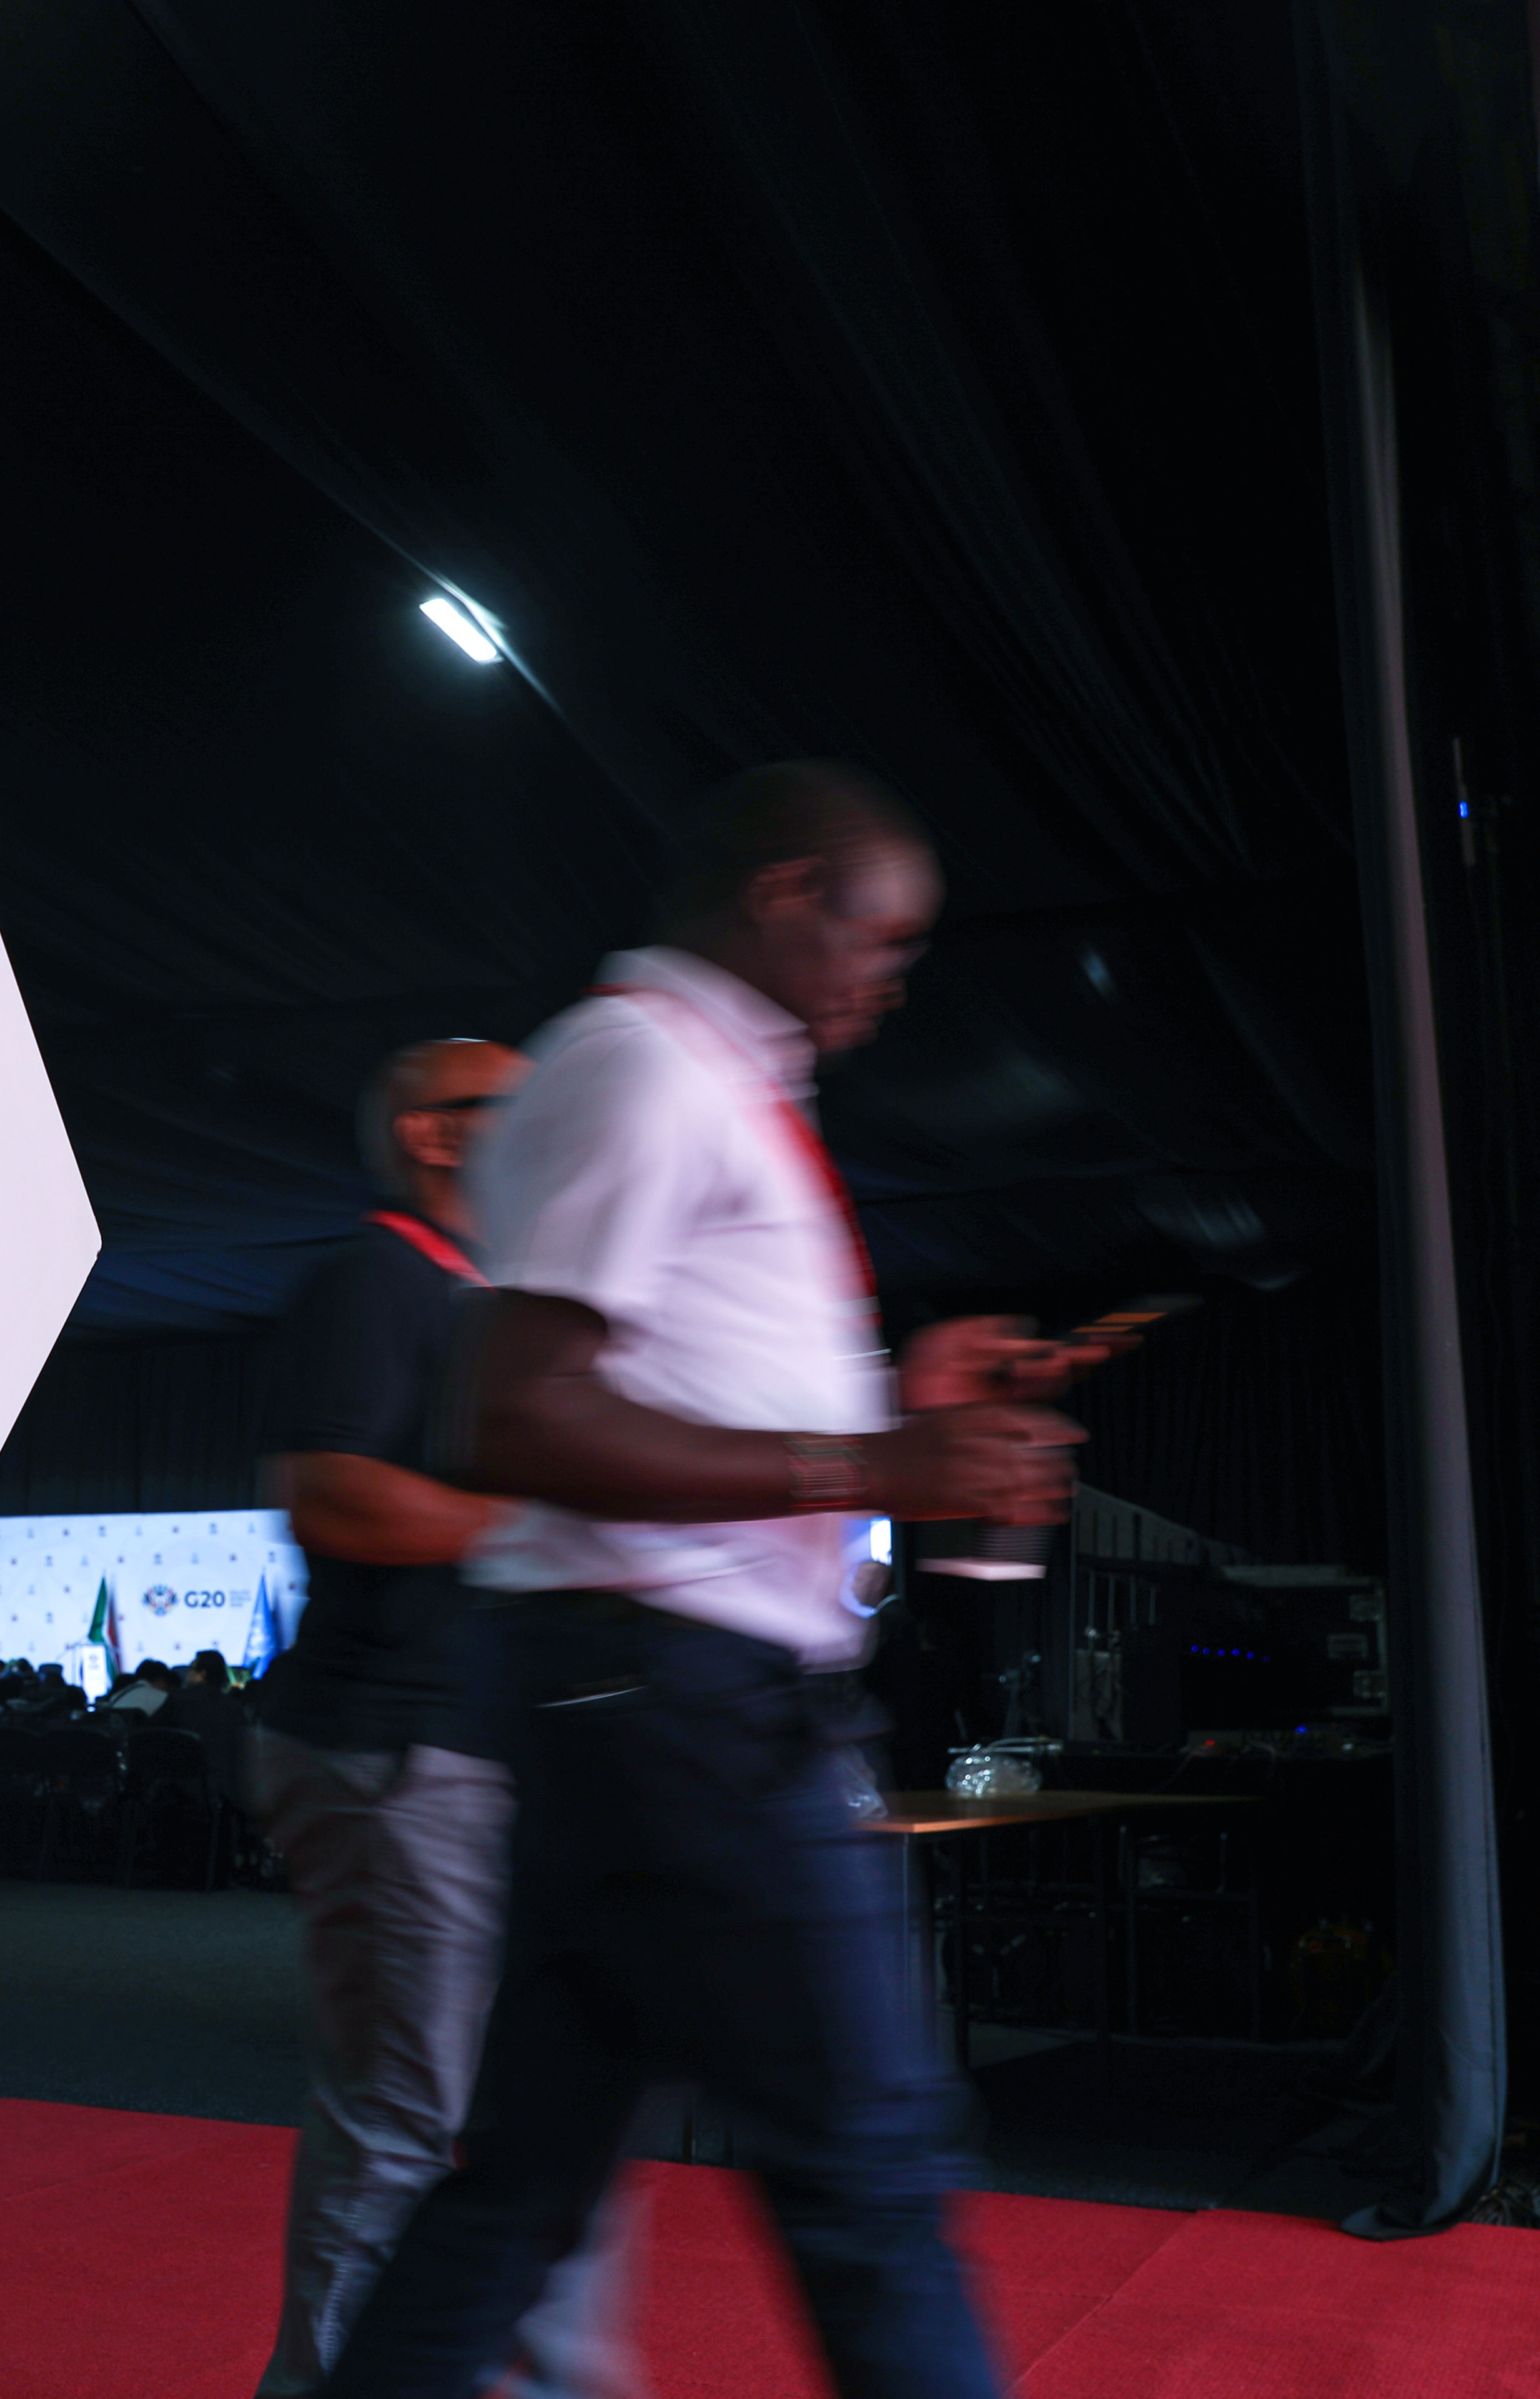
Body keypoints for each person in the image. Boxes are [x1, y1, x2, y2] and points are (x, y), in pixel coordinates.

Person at [310, 764, 1086, 2399]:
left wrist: (900, 1410)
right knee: (870, 2168)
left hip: (636, 1696)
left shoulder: (712, 1082)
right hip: (680, 1707)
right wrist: (870, 1465)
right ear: (787, 893)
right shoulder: (640, 1063)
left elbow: (681, 1394)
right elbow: (515, 1416)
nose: (892, 976)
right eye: (882, 935)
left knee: (522, 2188)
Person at [244, 1036, 630, 2399]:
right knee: (404, 2119)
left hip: (487, 1753)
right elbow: (334, 1496)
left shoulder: (492, 1300)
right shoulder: (376, 1279)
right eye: (519, 1107)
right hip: (393, 1748)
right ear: (435, 1134)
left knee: (541, 2112)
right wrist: (550, 1525)